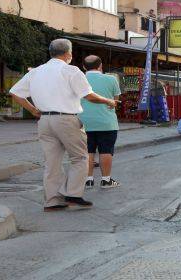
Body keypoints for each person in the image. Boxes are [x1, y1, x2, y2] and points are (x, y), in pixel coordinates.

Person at [9, 39, 118, 212]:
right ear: (68, 53)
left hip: (44, 120)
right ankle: (73, 195)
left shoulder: (36, 71)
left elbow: (15, 92)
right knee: (80, 157)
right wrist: (108, 101)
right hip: (66, 119)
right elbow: (88, 95)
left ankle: (52, 200)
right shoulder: (70, 70)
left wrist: (32, 110)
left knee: (52, 162)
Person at [79, 55, 121, 189]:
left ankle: (88, 180)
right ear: (100, 66)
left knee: (87, 151)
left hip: (82, 122)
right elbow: (115, 101)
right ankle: (106, 180)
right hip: (106, 122)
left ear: (84, 67)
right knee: (106, 151)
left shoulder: (78, 80)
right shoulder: (111, 79)